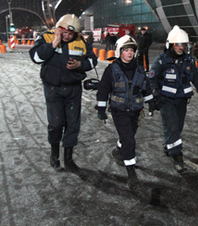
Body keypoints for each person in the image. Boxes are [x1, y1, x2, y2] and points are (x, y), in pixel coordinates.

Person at [29, 14, 98, 172]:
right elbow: (36, 57)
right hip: (53, 89)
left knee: (72, 125)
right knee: (56, 124)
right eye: (64, 32)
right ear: (58, 29)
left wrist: (80, 64)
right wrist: (54, 43)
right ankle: (54, 154)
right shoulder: (46, 37)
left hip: (73, 89)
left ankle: (68, 159)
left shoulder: (82, 41)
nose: (67, 36)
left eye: (70, 33)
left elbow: (93, 61)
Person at [95, 35, 154, 190]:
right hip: (119, 111)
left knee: (128, 136)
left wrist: (151, 102)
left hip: (135, 110)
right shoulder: (112, 69)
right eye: (126, 50)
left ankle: (118, 150)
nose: (129, 53)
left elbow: (146, 87)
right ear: (119, 51)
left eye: (132, 50)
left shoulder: (139, 68)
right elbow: (103, 90)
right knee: (129, 140)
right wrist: (101, 109)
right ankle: (131, 174)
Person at [149, 25, 198, 174]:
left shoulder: (188, 60)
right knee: (173, 127)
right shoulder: (161, 60)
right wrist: (155, 93)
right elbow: (152, 78)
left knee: (178, 127)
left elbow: (195, 76)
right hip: (166, 101)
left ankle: (169, 145)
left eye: (183, 44)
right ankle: (177, 157)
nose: (181, 47)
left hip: (182, 101)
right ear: (171, 44)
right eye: (178, 44)